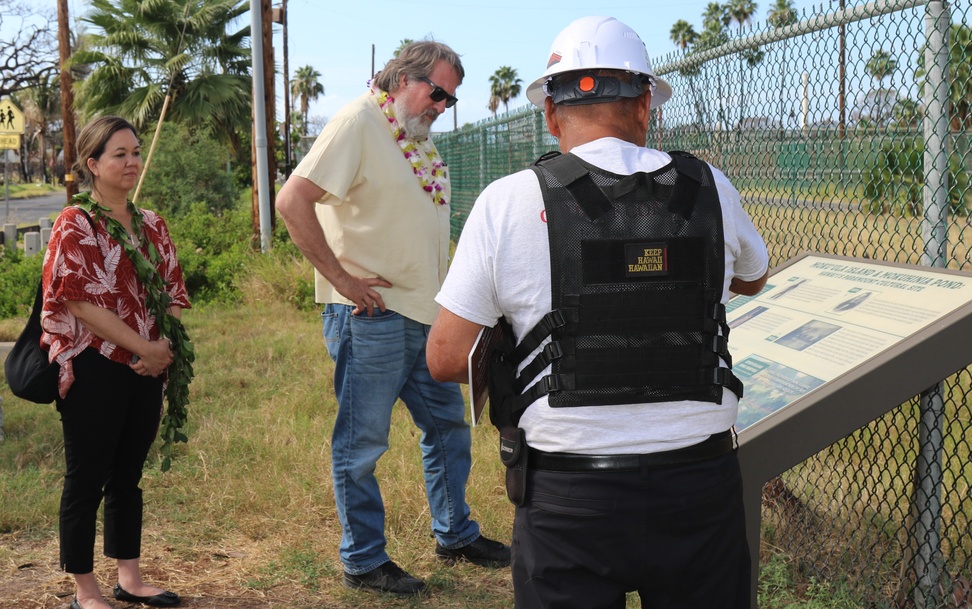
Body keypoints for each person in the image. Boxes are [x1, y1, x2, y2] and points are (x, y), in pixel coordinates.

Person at [426, 16, 770, 609]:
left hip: (568, 495)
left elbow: (446, 357)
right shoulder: (709, 186)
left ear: (551, 114)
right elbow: (754, 276)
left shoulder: (508, 201)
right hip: (700, 485)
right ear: (645, 106)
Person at [275, 40, 510, 596]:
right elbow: (292, 201)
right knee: (361, 445)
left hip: (422, 317)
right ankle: (362, 561)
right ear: (404, 78)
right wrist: (343, 281)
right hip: (371, 319)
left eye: (450, 100)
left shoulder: (415, 142)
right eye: (437, 92)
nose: (442, 107)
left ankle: (455, 535)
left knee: (449, 428)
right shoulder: (358, 121)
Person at [40, 116, 190, 609]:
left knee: (128, 475)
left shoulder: (152, 224)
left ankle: (130, 578)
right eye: (119, 154)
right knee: (86, 477)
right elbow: (80, 302)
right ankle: (86, 591)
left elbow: (171, 290)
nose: (131, 162)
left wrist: (159, 348)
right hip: (94, 367)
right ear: (93, 165)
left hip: (148, 367)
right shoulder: (75, 223)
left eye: (135, 152)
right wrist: (142, 348)